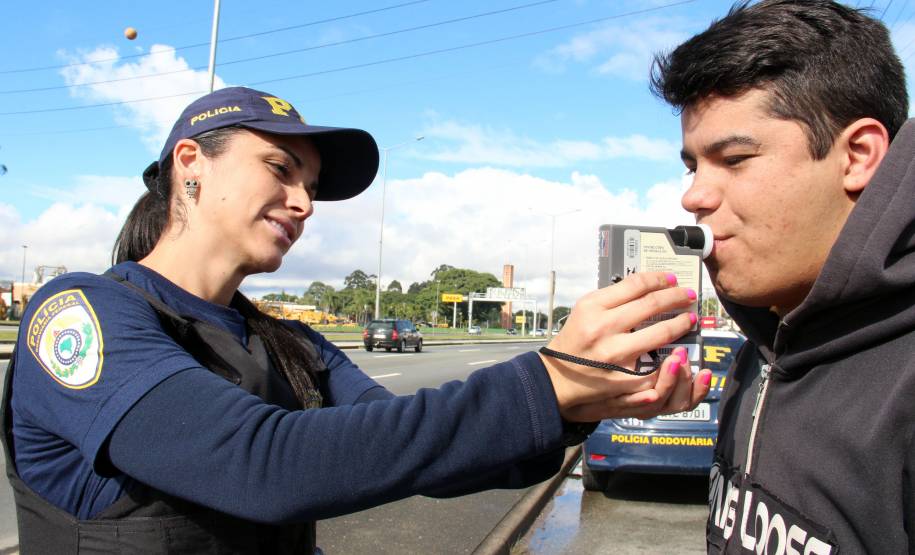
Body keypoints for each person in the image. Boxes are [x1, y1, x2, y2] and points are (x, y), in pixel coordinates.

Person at [1, 86, 711, 554]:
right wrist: (543, 380)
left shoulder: (292, 344)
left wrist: (581, 400)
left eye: (309, 186)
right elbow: (264, 465)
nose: (304, 203)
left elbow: (417, 454)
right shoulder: (81, 312)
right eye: (280, 168)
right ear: (191, 163)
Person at [650, 0, 913, 552]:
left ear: (859, 156)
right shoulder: (761, 340)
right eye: (692, 165)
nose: (693, 195)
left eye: (736, 158)